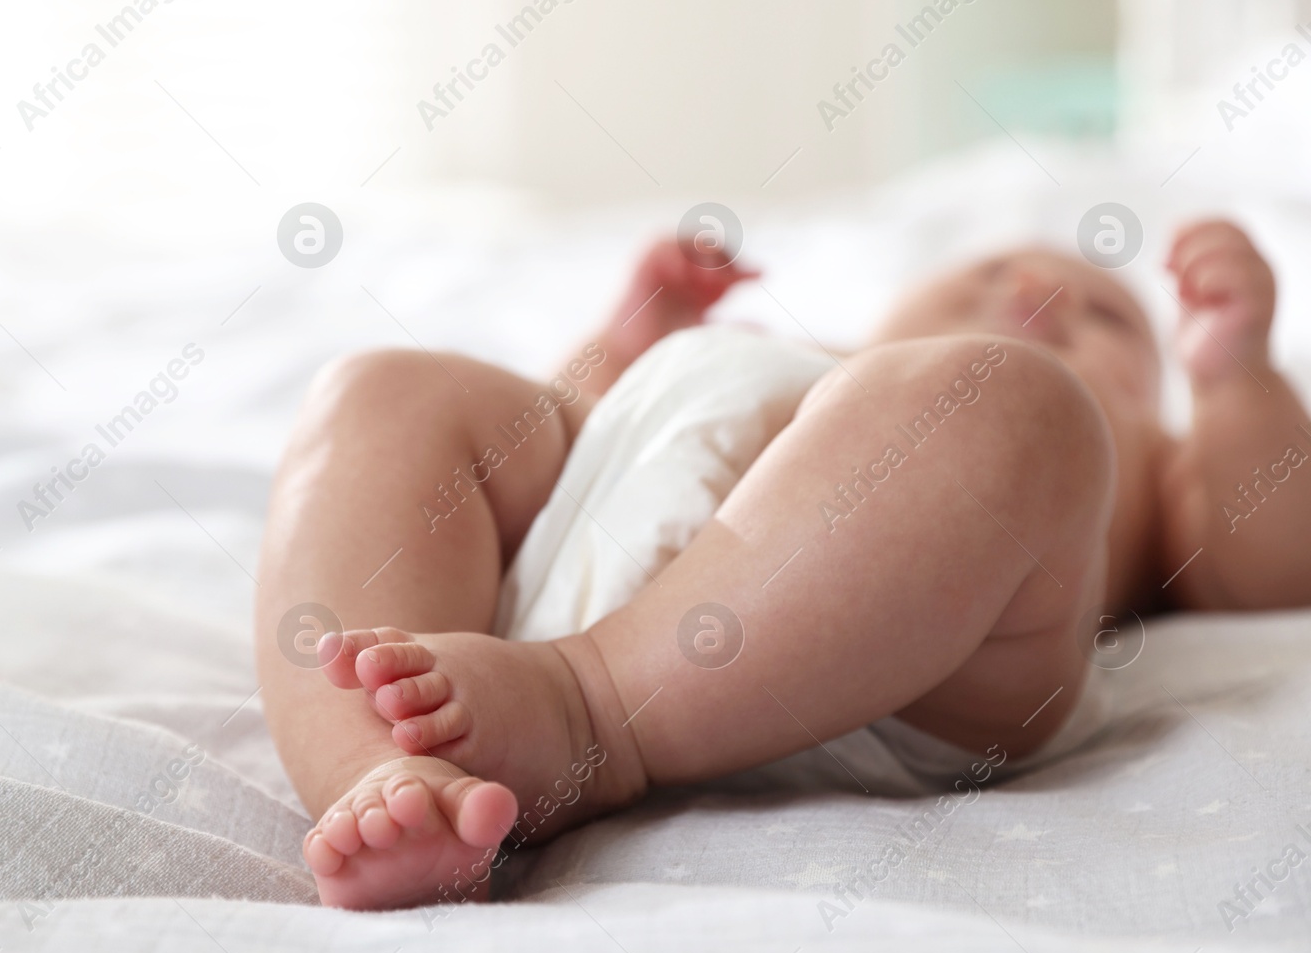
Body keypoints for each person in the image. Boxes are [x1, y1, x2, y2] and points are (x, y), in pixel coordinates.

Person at [254, 220, 1311, 909]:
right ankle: (383, 768)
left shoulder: (1148, 444)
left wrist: (1238, 382)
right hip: (578, 559)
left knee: (1013, 407)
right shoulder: (805, 358)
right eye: (984, 271)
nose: (1039, 286)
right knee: (386, 390)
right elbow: (590, 431)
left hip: (900, 663)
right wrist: (631, 341)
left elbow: (1267, 570)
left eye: (1109, 314)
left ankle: (589, 706)